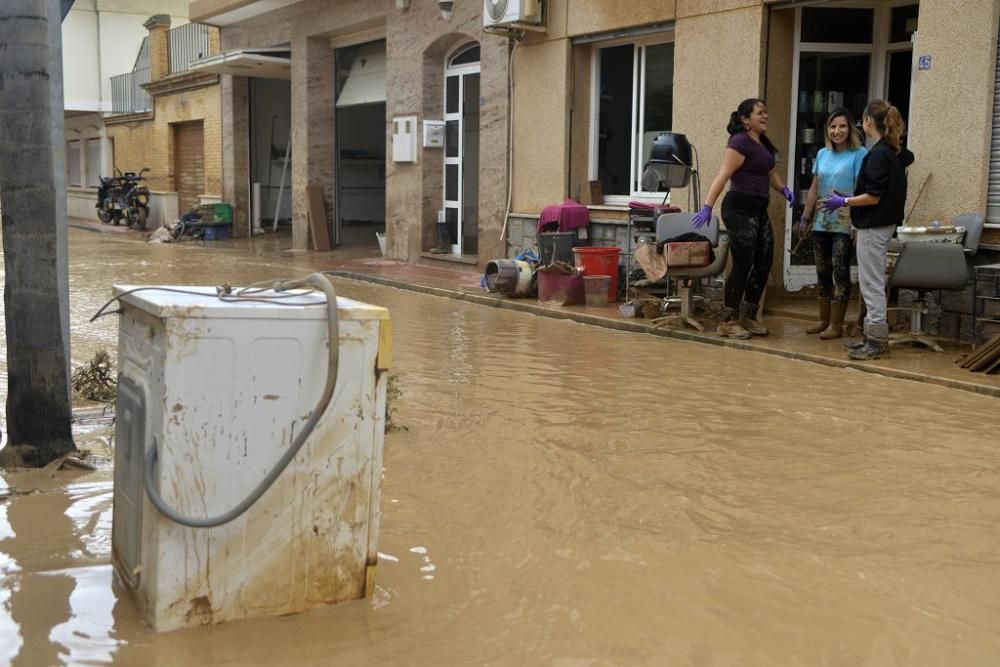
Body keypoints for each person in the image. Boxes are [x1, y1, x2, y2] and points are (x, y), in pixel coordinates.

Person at [693, 98, 794, 339]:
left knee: (764, 260)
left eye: (766, 112)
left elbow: (770, 173)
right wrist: (708, 206)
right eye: (760, 113)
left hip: (759, 208)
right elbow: (722, 174)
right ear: (745, 120)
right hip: (739, 208)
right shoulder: (739, 142)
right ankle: (727, 320)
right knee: (743, 263)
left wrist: (784, 189)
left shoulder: (763, 144)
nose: (765, 116)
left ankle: (748, 316)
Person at [822, 99, 914, 360]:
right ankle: (872, 337)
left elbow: (873, 196)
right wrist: (851, 196)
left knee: (871, 283)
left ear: (868, 122)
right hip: (884, 224)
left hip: (873, 227)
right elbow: (905, 161)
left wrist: (846, 200)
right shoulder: (893, 151)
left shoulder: (878, 155)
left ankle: (876, 340)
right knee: (872, 282)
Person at [799, 108, 867, 339]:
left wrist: (857, 223)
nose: (837, 131)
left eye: (842, 126)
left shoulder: (859, 154)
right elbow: (815, 187)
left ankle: (836, 324)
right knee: (822, 270)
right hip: (821, 221)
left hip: (845, 222)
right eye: (833, 126)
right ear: (827, 130)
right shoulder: (822, 154)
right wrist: (805, 217)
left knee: (840, 271)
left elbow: (861, 189)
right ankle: (823, 319)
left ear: (850, 129)